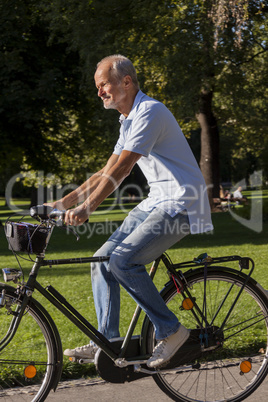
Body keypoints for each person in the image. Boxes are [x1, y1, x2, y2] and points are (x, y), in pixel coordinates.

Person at [46, 55, 213, 368]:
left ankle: (171, 330)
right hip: (156, 201)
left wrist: (87, 207)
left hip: (181, 202)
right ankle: (107, 341)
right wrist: (64, 203)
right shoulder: (128, 119)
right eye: (98, 87)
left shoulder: (150, 112)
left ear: (126, 82)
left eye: (104, 85)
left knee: (123, 261)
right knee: (101, 261)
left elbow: (123, 168)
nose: (100, 93)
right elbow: (106, 169)